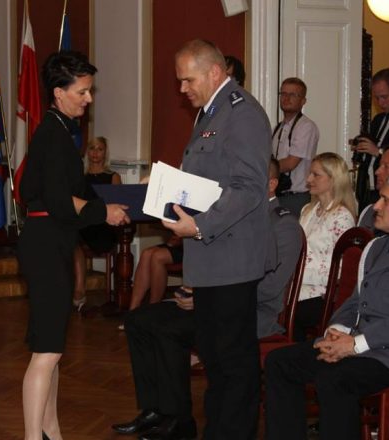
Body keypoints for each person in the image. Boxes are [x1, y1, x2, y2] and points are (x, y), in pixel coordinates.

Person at [111, 158, 302, 440]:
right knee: (139, 319)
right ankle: (155, 409)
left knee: (168, 329)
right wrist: (196, 290)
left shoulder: (283, 224)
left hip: (250, 313)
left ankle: (178, 420)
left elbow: (271, 287)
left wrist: (204, 295)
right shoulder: (234, 215)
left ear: (271, 184)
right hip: (215, 301)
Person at [264, 171, 389, 440]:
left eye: (385, 200)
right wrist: (336, 332)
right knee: (280, 362)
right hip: (365, 346)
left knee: (335, 379)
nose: (376, 206)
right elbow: (356, 301)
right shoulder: (379, 247)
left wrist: (356, 344)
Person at [16, 51, 129, 440]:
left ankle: (51, 431)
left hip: (50, 242)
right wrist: (103, 212)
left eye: (89, 90)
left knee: (52, 348)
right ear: (58, 92)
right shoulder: (53, 135)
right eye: (82, 91)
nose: (89, 98)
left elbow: (66, 193)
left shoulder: (58, 131)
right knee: (47, 351)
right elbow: (59, 200)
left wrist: (108, 206)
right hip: (46, 244)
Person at [162, 39, 272, 440]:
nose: (182, 89)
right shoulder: (212, 111)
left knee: (233, 362)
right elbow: (209, 181)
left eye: (188, 80)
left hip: (232, 258)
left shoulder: (242, 114)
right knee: (214, 357)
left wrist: (199, 227)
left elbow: (248, 188)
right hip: (212, 258)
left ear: (214, 72)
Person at [293, 152, 356, 341]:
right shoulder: (308, 210)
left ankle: (295, 353)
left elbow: (342, 269)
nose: (309, 179)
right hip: (298, 288)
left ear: (333, 179)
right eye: (310, 173)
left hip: (321, 294)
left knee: (281, 310)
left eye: (316, 175)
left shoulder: (341, 217)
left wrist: (299, 274)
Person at [72, 136, 121, 310]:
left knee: (73, 236)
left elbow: (117, 206)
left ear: (105, 153)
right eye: (92, 148)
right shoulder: (80, 177)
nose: (95, 153)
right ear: (87, 152)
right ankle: (79, 291)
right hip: (84, 225)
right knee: (69, 237)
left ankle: (79, 293)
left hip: (104, 226)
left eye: (100, 149)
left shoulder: (113, 177)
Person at [273, 77, 320, 215]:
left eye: (293, 94)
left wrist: (263, 169)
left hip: (296, 198)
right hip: (278, 195)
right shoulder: (278, 128)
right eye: (283, 93)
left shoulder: (306, 126)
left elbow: (290, 163)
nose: (286, 98)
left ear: (303, 101)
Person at [352, 68, 389, 212]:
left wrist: (378, 152)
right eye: (377, 98)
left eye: (384, 97)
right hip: (368, 187)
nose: (380, 102)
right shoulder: (378, 119)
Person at [126, 234, 183, 312]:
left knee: (158, 256)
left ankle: (153, 307)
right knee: (146, 253)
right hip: (180, 240)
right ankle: (133, 308)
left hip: (193, 246)